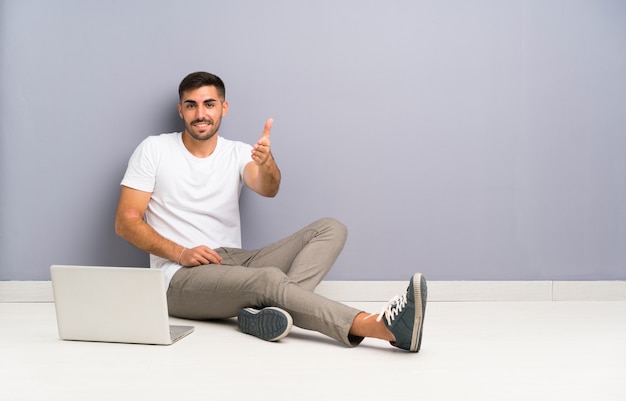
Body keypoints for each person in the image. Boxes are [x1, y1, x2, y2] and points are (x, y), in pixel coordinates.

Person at [114, 71, 427, 352]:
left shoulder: (237, 152)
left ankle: (271, 315)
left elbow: (268, 187)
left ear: (223, 108)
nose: (200, 113)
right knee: (268, 280)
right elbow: (126, 222)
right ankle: (381, 326)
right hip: (178, 277)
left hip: (233, 262)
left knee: (331, 228)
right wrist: (180, 252)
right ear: (180, 110)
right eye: (191, 105)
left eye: (209, 104)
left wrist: (267, 163)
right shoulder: (154, 149)